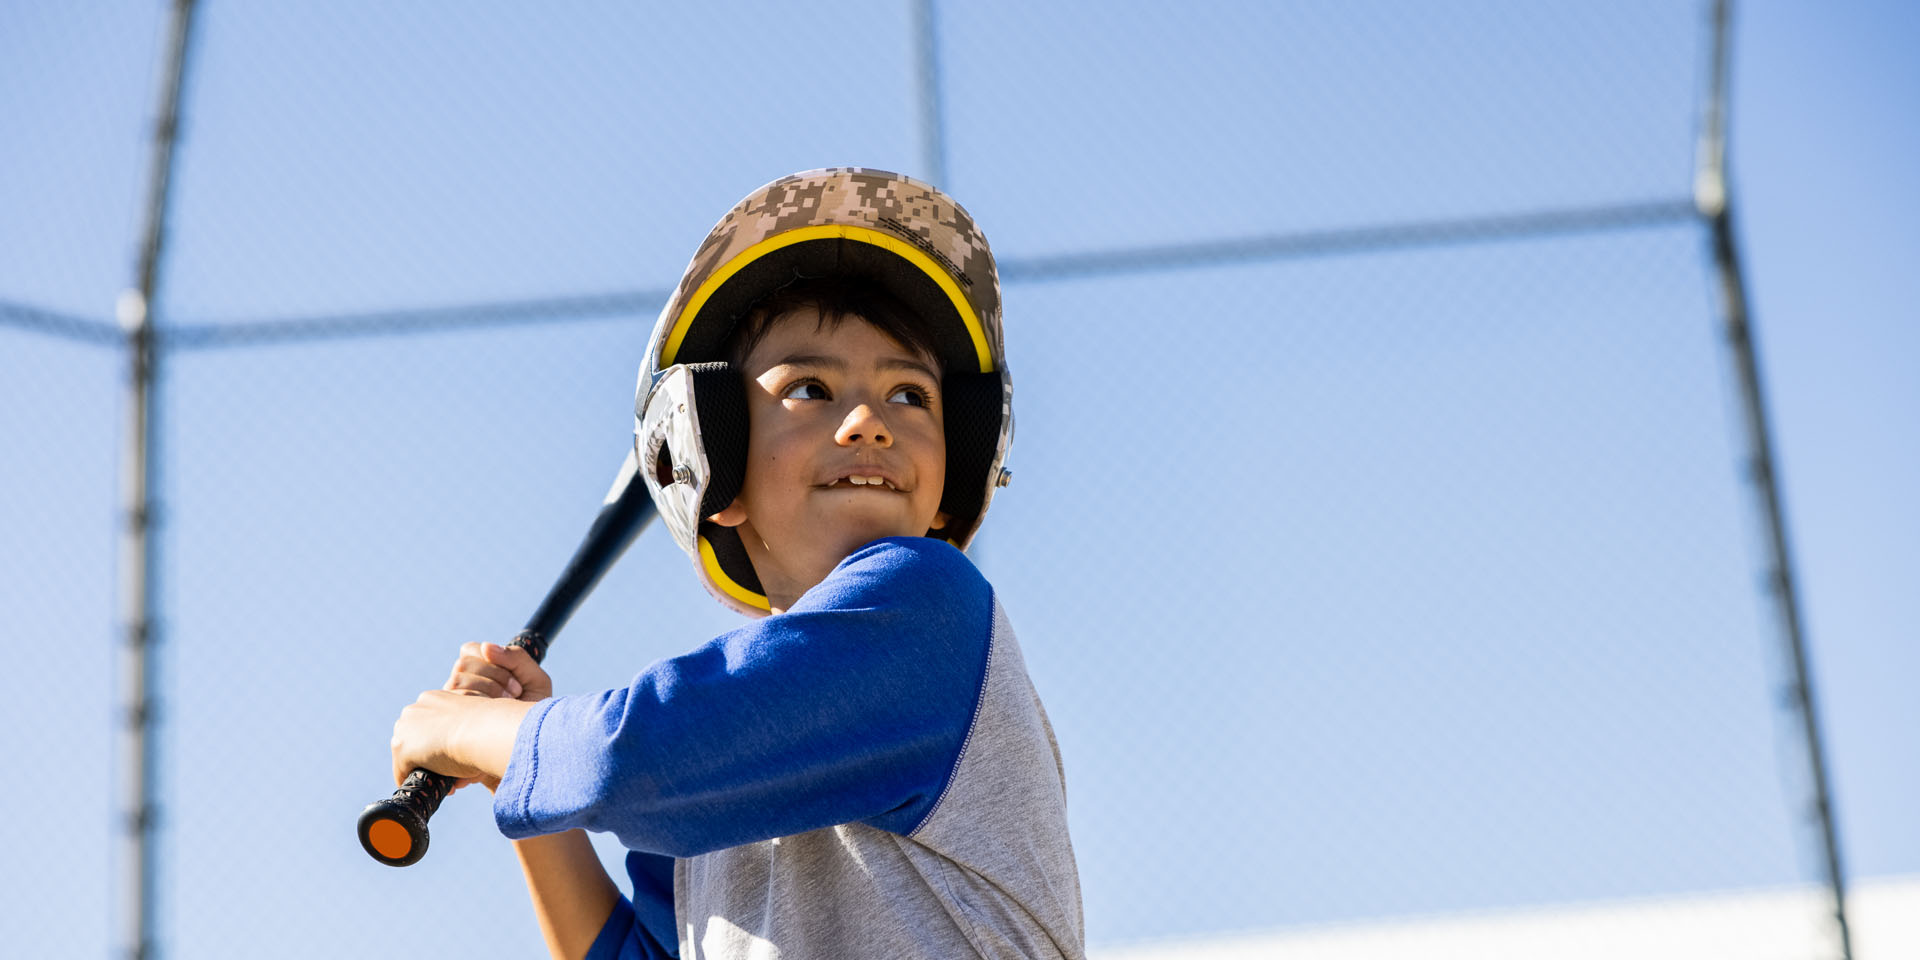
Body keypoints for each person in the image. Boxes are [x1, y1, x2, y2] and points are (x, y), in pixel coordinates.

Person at [388, 168, 1084, 960]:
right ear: (710, 456)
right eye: (811, 388)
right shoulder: (726, 761)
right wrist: (517, 782)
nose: (866, 423)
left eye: (910, 395)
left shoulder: (927, 610)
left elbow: (629, 757)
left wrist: (483, 731)